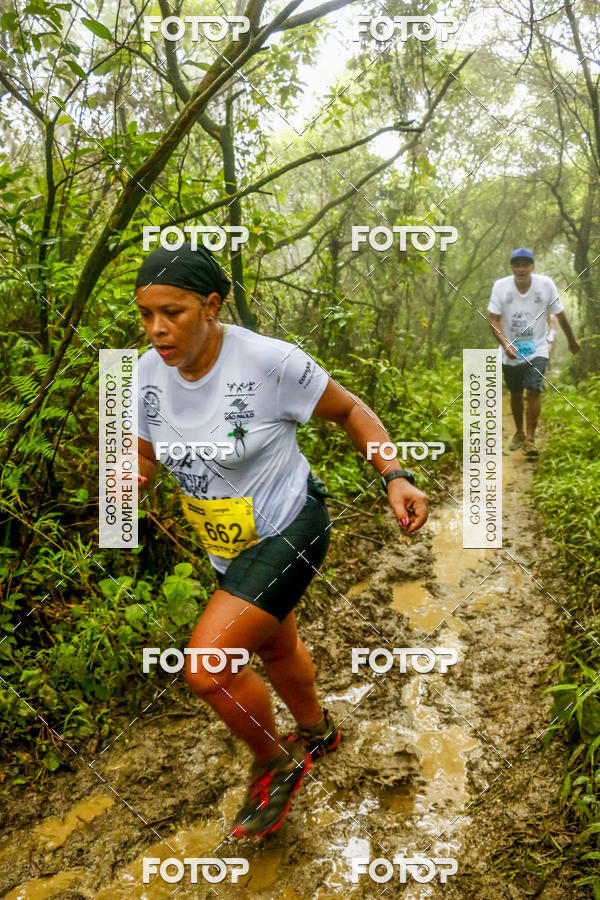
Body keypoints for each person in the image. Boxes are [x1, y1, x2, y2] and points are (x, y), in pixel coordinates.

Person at [133, 243, 429, 838]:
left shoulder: (269, 363)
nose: (157, 329)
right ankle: (318, 731)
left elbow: (351, 411)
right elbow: (142, 451)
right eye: (146, 315)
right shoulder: (142, 375)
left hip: (292, 525)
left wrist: (394, 475)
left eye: (174, 312)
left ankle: (274, 761)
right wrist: (131, 475)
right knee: (273, 646)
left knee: (207, 667)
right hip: (230, 543)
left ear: (212, 306)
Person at [487, 248, 580, 458]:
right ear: (511, 267)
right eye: (516, 265)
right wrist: (504, 343)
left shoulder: (545, 285)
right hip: (511, 350)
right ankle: (519, 432)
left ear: (532, 266)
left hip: (537, 348)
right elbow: (493, 319)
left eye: (525, 264)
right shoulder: (501, 287)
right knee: (516, 393)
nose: (521, 269)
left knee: (533, 389)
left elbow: (561, 315)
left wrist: (572, 341)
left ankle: (530, 440)